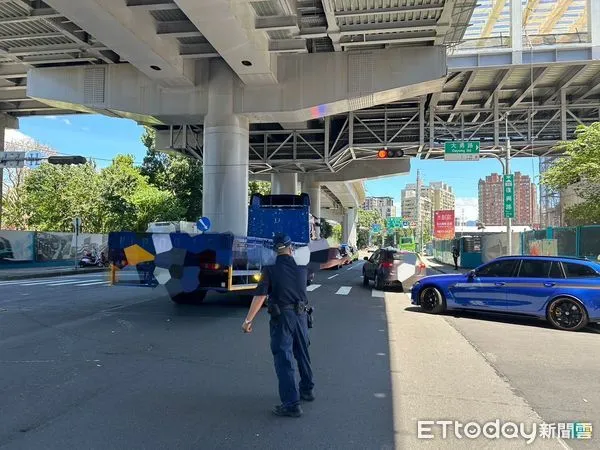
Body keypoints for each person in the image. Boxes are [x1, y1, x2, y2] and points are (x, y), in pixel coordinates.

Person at [241, 233, 314, 418]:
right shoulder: (302, 267)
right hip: (302, 316)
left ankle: (291, 404)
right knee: (302, 352)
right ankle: (307, 389)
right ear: (291, 248)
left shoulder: (270, 269)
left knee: (284, 358)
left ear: (274, 250)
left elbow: (260, 296)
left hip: (282, 318)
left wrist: (248, 320)